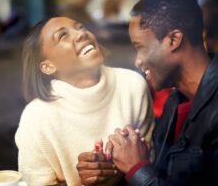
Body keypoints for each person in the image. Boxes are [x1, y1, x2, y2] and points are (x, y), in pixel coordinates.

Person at [77, 0, 218, 186]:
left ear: (173, 40)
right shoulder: (176, 101)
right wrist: (115, 173)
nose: (137, 62)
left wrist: (137, 168)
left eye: (140, 47)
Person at [14, 16, 154, 186]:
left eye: (80, 27)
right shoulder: (35, 118)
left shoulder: (132, 85)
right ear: (48, 66)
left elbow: (151, 163)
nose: (82, 34)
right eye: (63, 36)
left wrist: (117, 171)